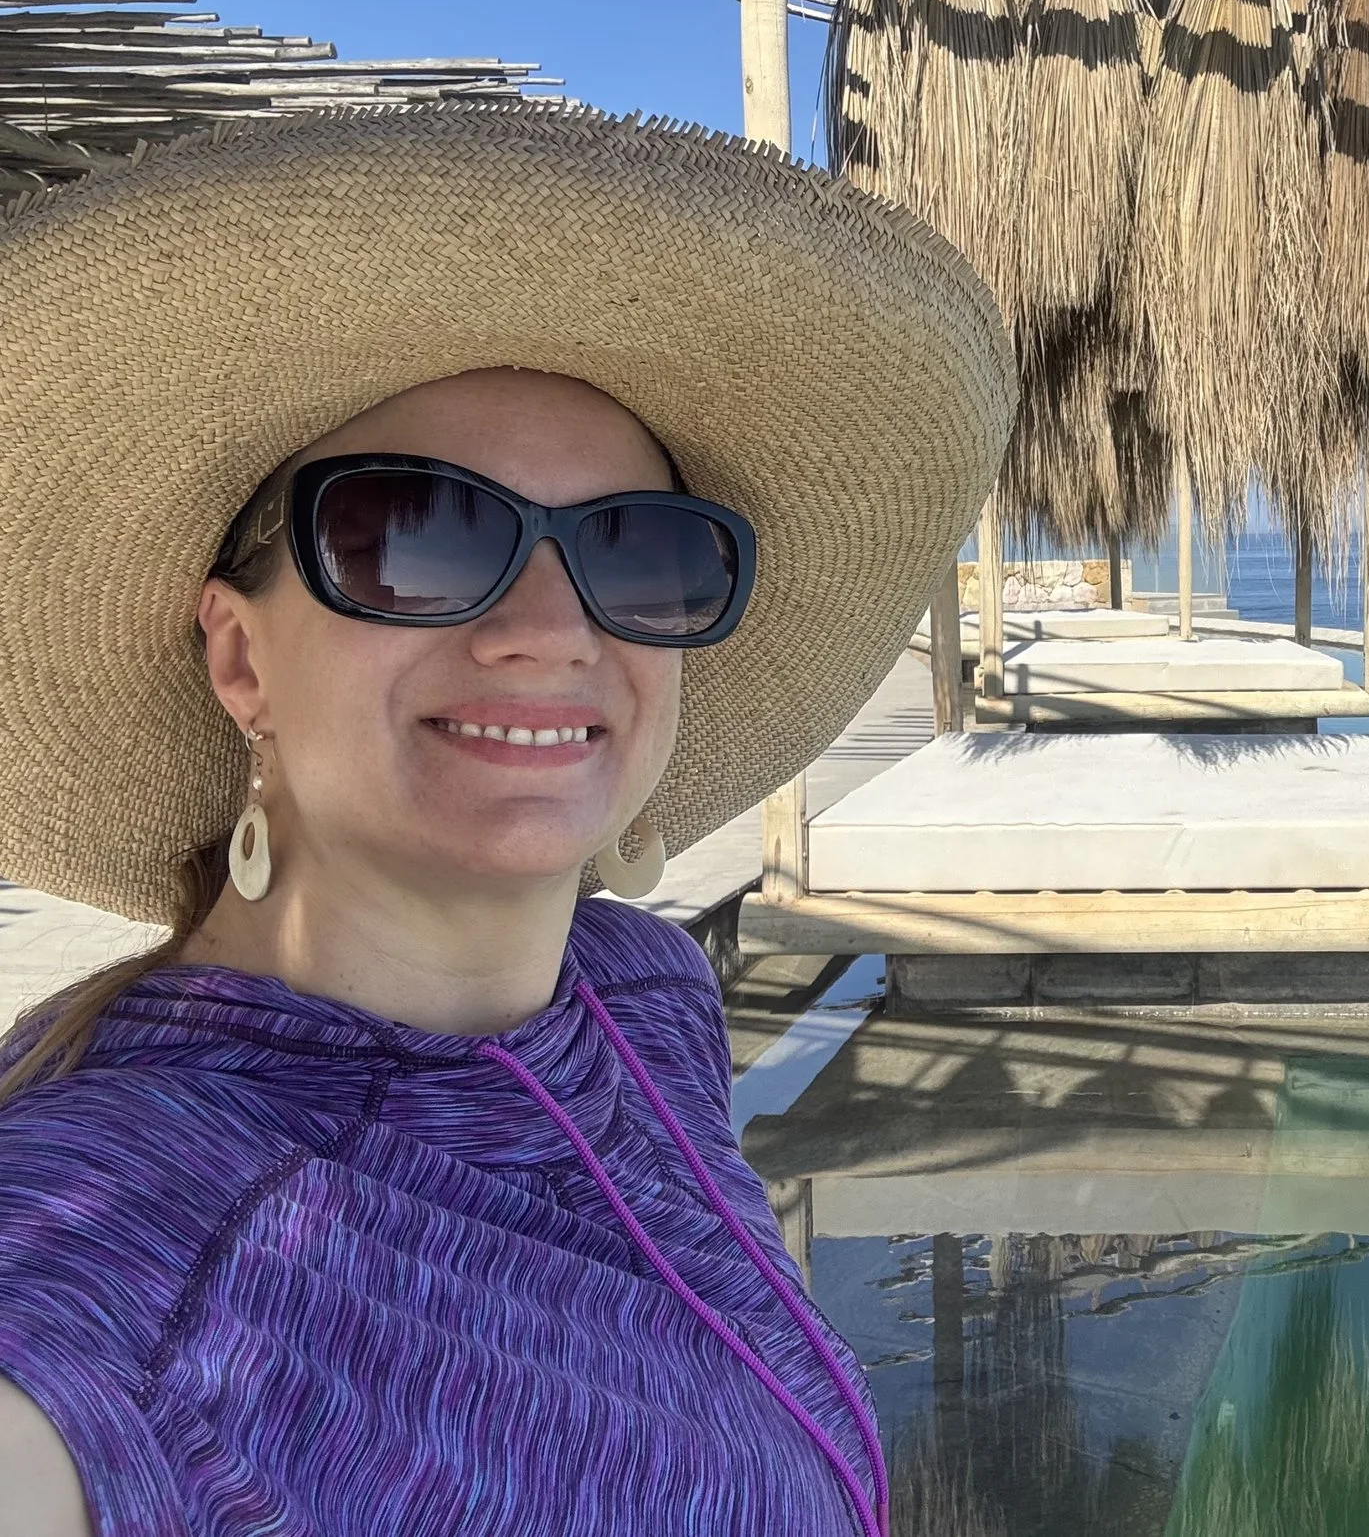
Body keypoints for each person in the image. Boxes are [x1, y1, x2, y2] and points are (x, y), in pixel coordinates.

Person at [0, 107, 1012, 1535]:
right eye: (414, 532)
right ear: (240, 660)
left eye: (636, 552)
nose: (549, 630)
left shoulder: (635, 999)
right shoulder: (143, 1247)